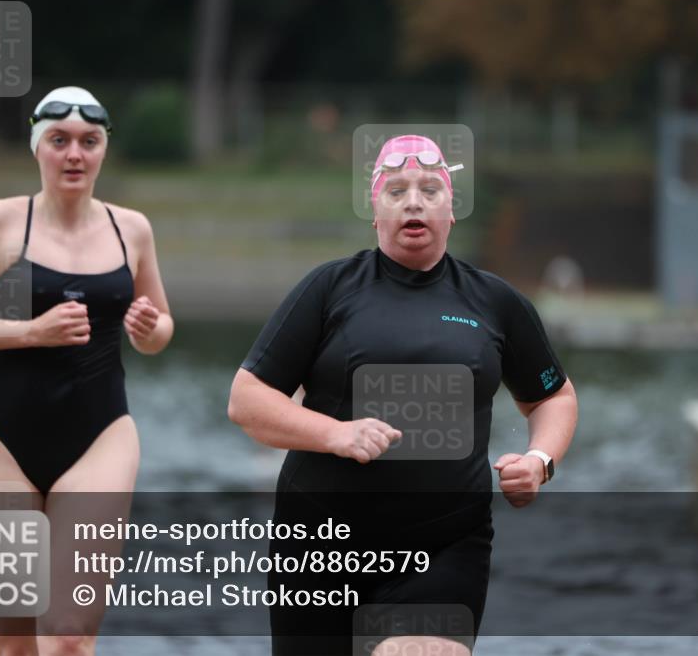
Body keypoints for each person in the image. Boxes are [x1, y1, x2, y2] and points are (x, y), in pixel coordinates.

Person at [228, 134, 578, 655]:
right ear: (376, 212)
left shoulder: (495, 302)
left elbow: (554, 397)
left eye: (430, 190)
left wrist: (541, 458)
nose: (413, 201)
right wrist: (335, 433)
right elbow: (247, 401)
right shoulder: (329, 289)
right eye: (396, 191)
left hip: (443, 544)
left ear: (451, 210)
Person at [0, 86, 174, 655]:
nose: (74, 154)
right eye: (59, 141)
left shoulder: (132, 228)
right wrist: (29, 332)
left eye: (89, 141)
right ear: (38, 148)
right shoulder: (0, 222)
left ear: (104, 150)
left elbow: (160, 331)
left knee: (69, 637)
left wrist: (149, 328)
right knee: (13, 644)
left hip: (101, 437)